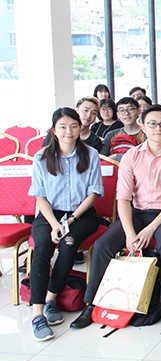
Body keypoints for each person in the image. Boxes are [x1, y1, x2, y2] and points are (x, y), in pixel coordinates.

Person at [71, 105, 161, 329]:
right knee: (103, 245)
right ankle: (91, 304)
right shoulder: (131, 157)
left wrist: (150, 229)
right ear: (143, 126)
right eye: (153, 124)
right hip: (136, 213)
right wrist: (129, 233)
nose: (158, 128)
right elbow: (123, 198)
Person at [28, 108, 103, 341]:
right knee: (42, 247)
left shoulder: (90, 154)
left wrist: (69, 221)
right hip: (50, 214)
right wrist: (53, 224)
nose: (68, 131)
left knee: (69, 244)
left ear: (80, 127)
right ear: (54, 130)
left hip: (81, 214)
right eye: (62, 126)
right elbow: (40, 197)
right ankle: (37, 313)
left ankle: (51, 298)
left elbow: (93, 193)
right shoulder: (41, 158)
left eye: (73, 126)